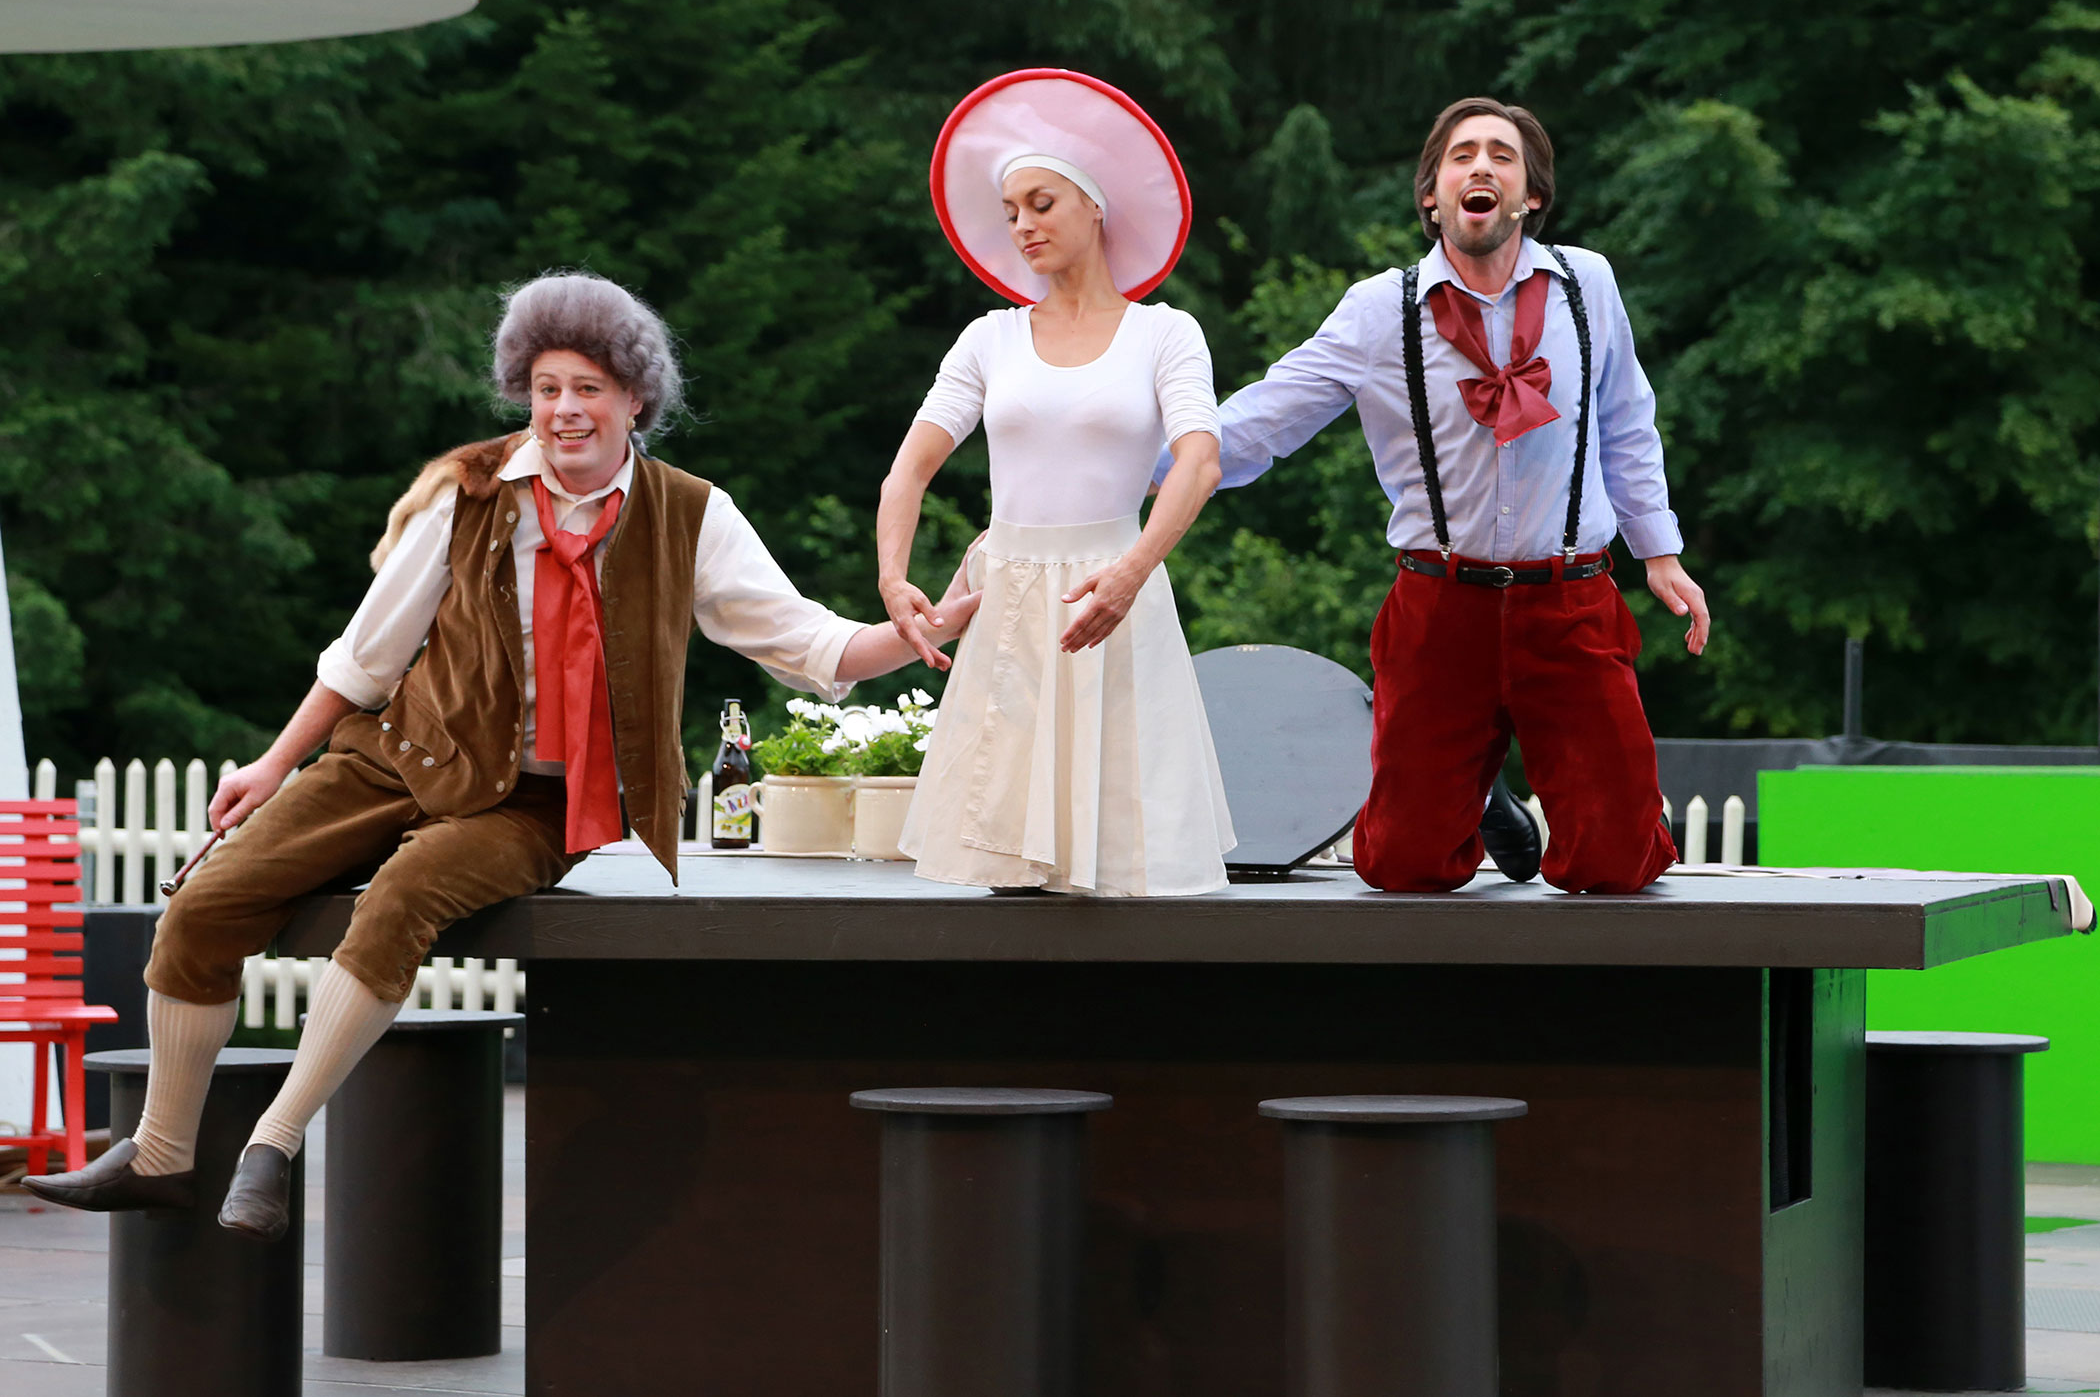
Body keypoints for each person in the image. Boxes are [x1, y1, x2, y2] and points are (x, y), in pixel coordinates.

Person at [25, 272, 978, 1234]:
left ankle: (272, 1145)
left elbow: (810, 643)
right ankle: (160, 1156)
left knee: (402, 898)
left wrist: (925, 628)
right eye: (547, 387)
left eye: (589, 388)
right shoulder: (473, 491)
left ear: (635, 399)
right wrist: (272, 766)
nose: (565, 410)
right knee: (204, 904)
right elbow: (366, 656)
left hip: (537, 804)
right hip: (399, 756)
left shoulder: (689, 513)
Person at [1197, 97, 1710, 894]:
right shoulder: (1381, 310)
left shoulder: (1587, 285)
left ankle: (1569, 798)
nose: (1481, 167)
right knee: (1403, 866)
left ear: (1530, 195)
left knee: (1614, 867)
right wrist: (1141, 467)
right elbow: (1265, 419)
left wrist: (1660, 553)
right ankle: (1480, 798)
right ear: (1432, 197)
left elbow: (1625, 421)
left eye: (1502, 156)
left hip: (1569, 601)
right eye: (1461, 155)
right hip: (1439, 607)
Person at [878, 68, 1235, 896]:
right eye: (1011, 212)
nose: (1023, 225)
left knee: (1127, 864)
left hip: (1112, 595)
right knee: (1004, 860)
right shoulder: (990, 339)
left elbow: (1200, 461)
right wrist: (894, 577)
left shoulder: (1165, 334)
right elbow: (909, 468)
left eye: (1041, 203)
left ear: (1095, 206)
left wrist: (1132, 572)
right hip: (1007, 603)